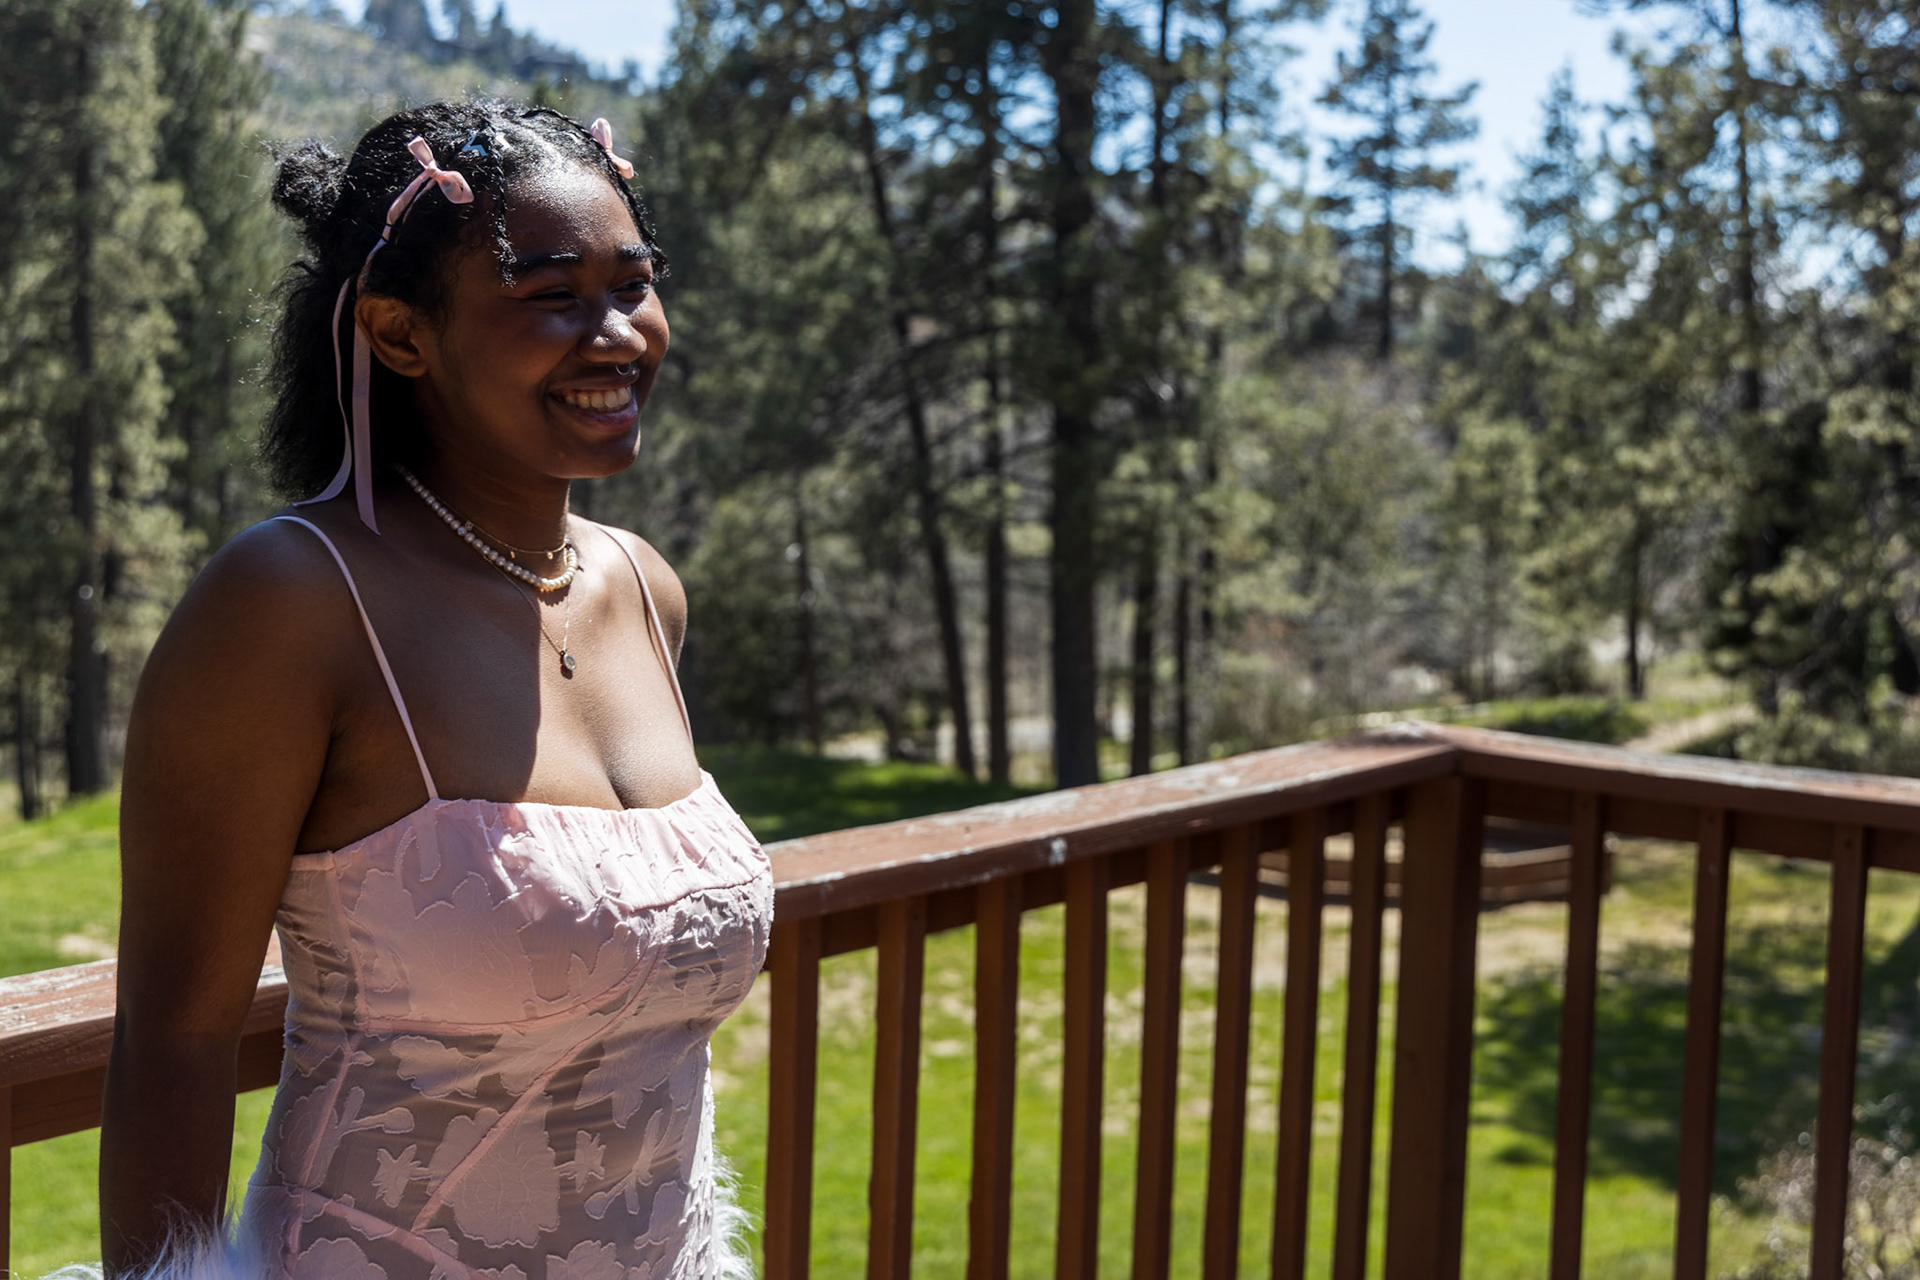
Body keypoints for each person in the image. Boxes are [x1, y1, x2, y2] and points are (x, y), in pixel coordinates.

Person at [97, 100, 771, 1279]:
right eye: (552, 295)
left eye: (633, 284)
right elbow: (177, 1039)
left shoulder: (643, 590)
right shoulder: (294, 602)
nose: (616, 333)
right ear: (399, 333)